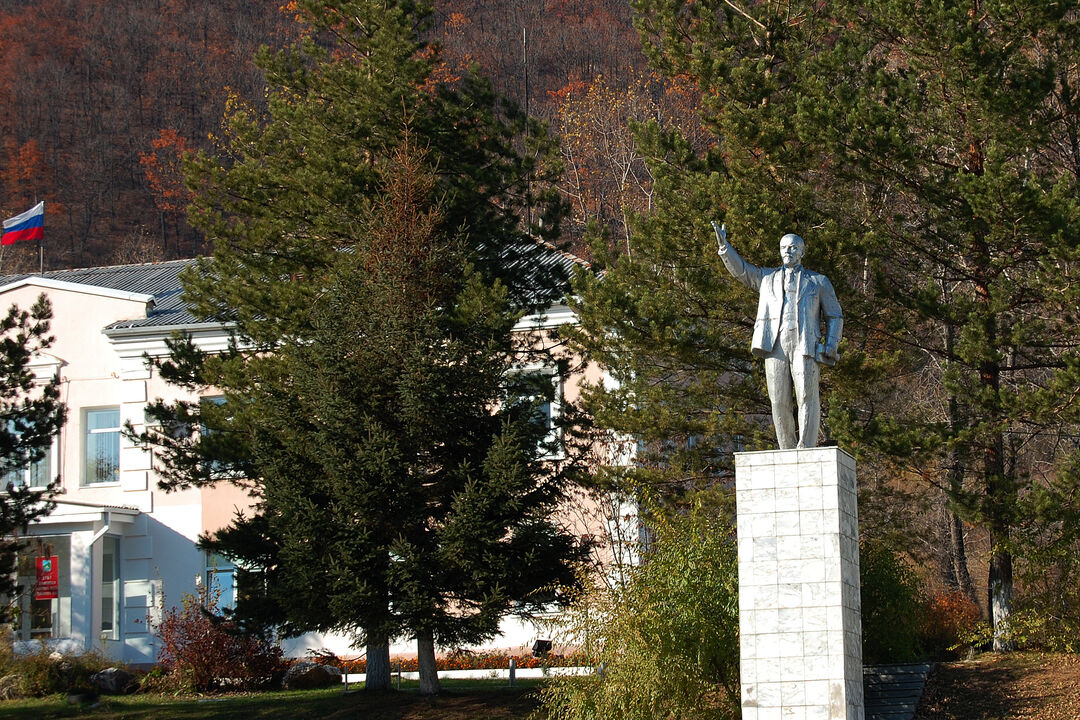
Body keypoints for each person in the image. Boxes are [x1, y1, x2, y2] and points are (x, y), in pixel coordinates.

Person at [712, 222, 843, 449]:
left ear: (802, 252)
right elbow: (742, 270)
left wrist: (830, 344)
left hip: (805, 344)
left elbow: (835, 316)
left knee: (806, 397)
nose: (787, 252)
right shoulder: (766, 278)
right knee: (779, 400)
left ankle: (806, 446)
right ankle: (786, 448)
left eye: (792, 248)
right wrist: (725, 248)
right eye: (783, 248)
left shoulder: (818, 281)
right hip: (775, 345)